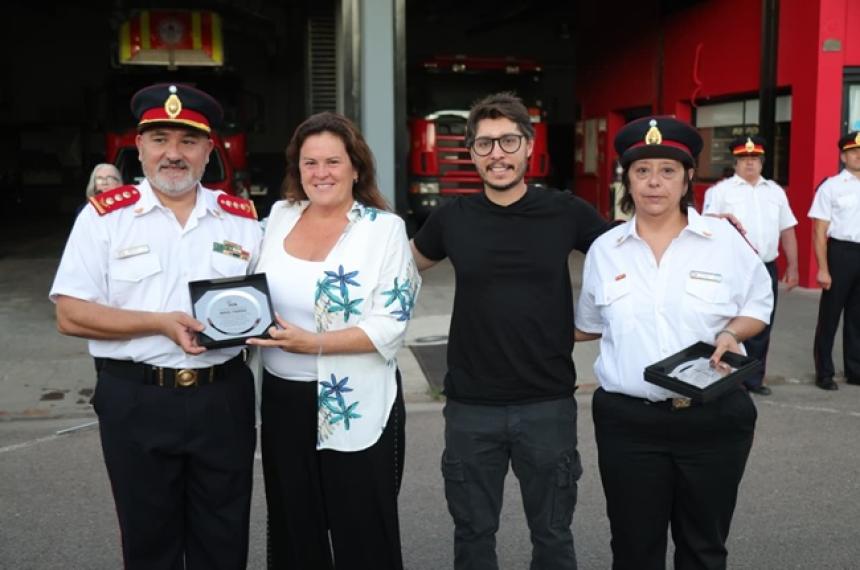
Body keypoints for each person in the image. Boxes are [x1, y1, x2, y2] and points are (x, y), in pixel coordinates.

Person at [49, 83, 262, 570]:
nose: (173, 153)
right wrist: (158, 324)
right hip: (136, 398)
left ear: (210, 150)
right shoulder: (104, 219)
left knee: (224, 539)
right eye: (160, 139)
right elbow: (70, 314)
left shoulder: (243, 222)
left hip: (222, 397)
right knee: (149, 543)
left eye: (188, 141)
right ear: (139, 147)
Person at [411, 92, 608, 570]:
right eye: (484, 144)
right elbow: (398, 271)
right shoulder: (452, 218)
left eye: (507, 141)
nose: (496, 153)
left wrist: (591, 322)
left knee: (553, 536)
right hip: (470, 407)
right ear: (472, 153)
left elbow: (626, 262)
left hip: (547, 402)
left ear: (528, 146)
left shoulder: (566, 212)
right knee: (474, 536)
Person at [574, 116, 773, 570]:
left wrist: (730, 332)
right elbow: (589, 323)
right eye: (642, 171)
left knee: (703, 548)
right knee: (633, 549)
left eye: (667, 170)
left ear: (687, 178)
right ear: (627, 179)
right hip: (629, 423)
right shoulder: (606, 249)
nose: (654, 183)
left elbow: (758, 307)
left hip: (714, 419)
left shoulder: (723, 239)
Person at [246, 111, 420, 569]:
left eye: (332, 162)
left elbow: (391, 324)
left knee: (362, 527)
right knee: (294, 524)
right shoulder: (279, 218)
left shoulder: (384, 230)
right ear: (296, 169)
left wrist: (314, 343)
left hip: (356, 398)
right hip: (284, 398)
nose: (320, 173)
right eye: (309, 163)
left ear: (356, 167)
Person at [702, 135, 799, 395]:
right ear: (735, 162)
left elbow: (787, 229)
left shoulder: (775, 191)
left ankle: (755, 379)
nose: (749, 164)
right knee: (730, 323)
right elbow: (707, 229)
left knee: (762, 323)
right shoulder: (720, 192)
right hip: (731, 268)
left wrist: (793, 266)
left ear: (762, 162)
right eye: (744, 159)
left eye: (754, 159)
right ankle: (729, 377)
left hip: (765, 266)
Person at [808, 131, 860, 390]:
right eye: (853, 151)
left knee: (857, 316)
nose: (858, 155)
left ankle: (855, 369)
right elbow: (819, 231)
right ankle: (824, 372)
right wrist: (823, 268)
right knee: (830, 315)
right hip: (840, 253)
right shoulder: (831, 186)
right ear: (843, 156)